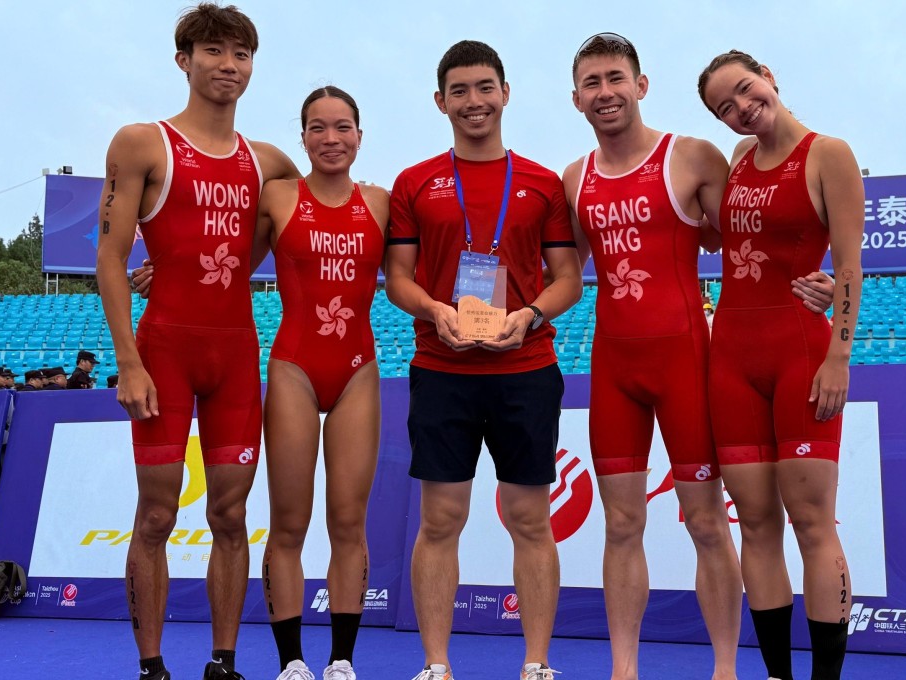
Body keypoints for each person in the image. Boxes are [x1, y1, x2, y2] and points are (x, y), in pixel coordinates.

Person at [564, 34, 835, 680]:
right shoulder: (573, 179)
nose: (605, 92)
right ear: (576, 98)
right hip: (614, 368)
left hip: (687, 363)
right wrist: (499, 312)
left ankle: (725, 670)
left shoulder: (692, 156)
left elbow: (747, 235)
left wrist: (812, 279)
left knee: (708, 522)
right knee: (620, 523)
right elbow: (562, 276)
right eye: (592, 82)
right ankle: (623, 671)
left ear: (640, 84)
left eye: (616, 78)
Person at [96, 4, 297, 679]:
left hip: (234, 353)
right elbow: (109, 259)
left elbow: (301, 215)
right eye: (213, 51)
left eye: (241, 54)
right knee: (156, 515)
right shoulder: (142, 143)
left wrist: (215, 264)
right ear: (184, 60)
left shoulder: (269, 162)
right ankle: (152, 666)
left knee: (231, 515)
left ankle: (223, 661)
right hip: (164, 353)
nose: (228, 65)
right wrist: (128, 362)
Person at [385, 40, 582, 680]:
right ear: (440, 101)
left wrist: (531, 316)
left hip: (525, 371)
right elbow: (397, 278)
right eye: (460, 91)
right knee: (441, 519)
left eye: (485, 87)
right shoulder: (415, 182)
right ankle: (436, 664)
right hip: (442, 370)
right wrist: (433, 310)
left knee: (530, 518)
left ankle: (537, 663)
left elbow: (568, 279)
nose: (474, 101)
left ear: (506, 93)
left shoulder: (542, 183)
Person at [698, 50, 864, 680]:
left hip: (801, 354)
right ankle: (776, 675)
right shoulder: (740, 158)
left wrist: (838, 356)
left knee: (812, 523)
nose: (742, 109)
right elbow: (720, 235)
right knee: (756, 523)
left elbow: (848, 267)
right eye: (725, 108)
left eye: (745, 90)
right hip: (731, 357)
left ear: (768, 77)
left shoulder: (829, 154)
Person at [258, 86, 387, 680]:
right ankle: (292, 663)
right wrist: (166, 269)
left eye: (342, 127)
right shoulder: (279, 196)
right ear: (303, 136)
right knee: (289, 522)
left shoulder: (381, 203)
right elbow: (226, 256)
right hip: (294, 367)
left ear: (360, 135)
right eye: (317, 127)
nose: (331, 139)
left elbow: (427, 265)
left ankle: (341, 661)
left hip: (356, 369)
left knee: (348, 522)